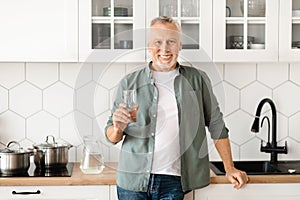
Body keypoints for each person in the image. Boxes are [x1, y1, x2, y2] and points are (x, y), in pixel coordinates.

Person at [104, 16, 248, 200]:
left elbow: (216, 124)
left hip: (174, 181)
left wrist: (229, 168)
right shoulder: (130, 83)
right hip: (132, 181)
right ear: (149, 46)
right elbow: (111, 137)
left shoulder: (197, 79)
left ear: (180, 45)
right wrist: (117, 128)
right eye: (158, 42)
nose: (164, 49)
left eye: (171, 41)